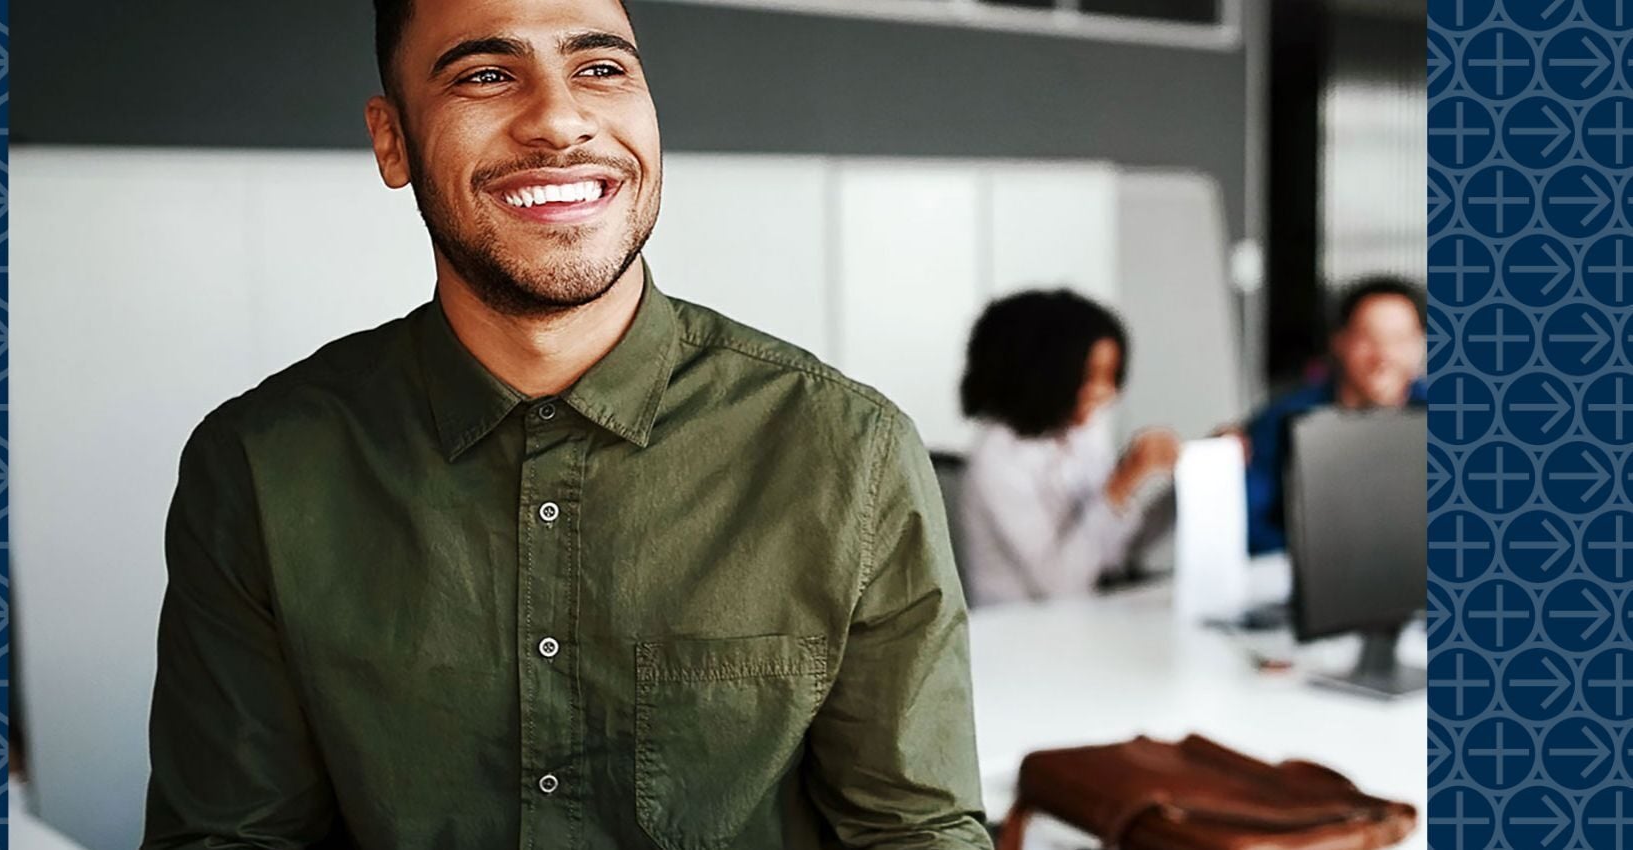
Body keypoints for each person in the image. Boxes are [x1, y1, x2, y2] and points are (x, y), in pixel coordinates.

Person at [140, 1, 992, 848]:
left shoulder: (849, 451)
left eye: (600, 68)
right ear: (392, 141)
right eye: (484, 74)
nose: (558, 118)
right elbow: (230, 835)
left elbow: (913, 832)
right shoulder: (260, 468)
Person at [955, 290, 1180, 606]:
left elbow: (1116, 551)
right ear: (1044, 375)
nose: (1106, 393)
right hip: (1018, 636)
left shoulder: (1081, 432)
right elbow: (1062, 586)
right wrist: (1121, 483)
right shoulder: (996, 459)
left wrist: (1189, 485)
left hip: (1083, 620)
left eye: (1111, 377)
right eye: (1091, 377)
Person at [1232, 275, 1428, 555]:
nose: (1383, 357)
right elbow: (1248, 521)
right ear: (1340, 341)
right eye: (1368, 338)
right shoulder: (1285, 418)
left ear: (1419, 345)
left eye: (1399, 339)